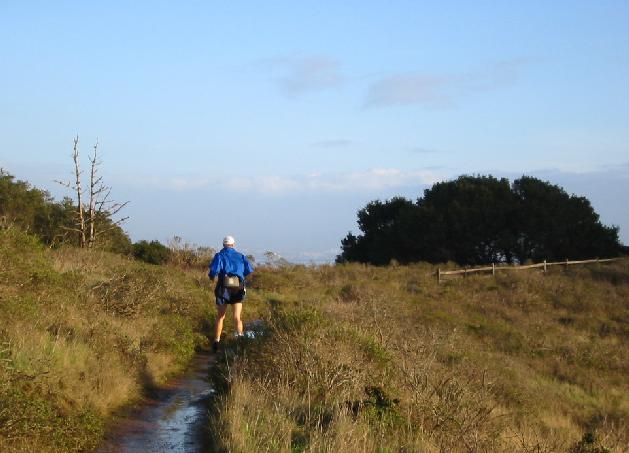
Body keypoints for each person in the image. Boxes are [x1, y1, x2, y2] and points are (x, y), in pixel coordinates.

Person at [208, 235, 254, 353]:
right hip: (238, 287)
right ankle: (240, 340)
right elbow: (248, 270)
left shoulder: (219, 256)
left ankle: (216, 342)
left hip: (223, 288)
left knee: (220, 317)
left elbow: (213, 271)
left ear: (223, 245)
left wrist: (212, 278)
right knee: (237, 317)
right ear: (233, 245)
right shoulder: (241, 256)